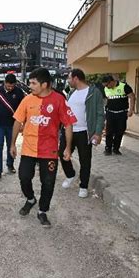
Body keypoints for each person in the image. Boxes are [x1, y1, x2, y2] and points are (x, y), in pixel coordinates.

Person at [10, 68, 76, 227]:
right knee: (24, 177)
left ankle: (42, 211)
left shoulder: (59, 100)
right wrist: (12, 144)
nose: (30, 86)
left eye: (33, 83)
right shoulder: (27, 100)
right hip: (29, 148)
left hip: (49, 150)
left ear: (44, 84)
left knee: (48, 182)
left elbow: (68, 124)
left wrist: (67, 147)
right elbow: (18, 121)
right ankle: (31, 198)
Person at [59, 69, 105, 198]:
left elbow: (100, 114)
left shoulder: (93, 93)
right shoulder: (72, 93)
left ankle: (83, 186)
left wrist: (97, 132)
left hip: (84, 132)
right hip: (68, 130)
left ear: (76, 78)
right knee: (61, 153)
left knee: (85, 160)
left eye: (69, 78)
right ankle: (70, 175)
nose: (68, 81)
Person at [0, 74, 24, 180]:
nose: (10, 88)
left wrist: (22, 123)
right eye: (8, 86)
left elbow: (23, 109)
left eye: (12, 86)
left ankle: (10, 164)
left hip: (12, 125)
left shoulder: (18, 92)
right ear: (4, 83)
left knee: (11, 145)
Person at [101, 75, 135, 155]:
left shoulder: (124, 86)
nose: (106, 87)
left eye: (107, 85)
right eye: (105, 86)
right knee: (109, 131)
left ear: (112, 81)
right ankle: (108, 148)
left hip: (121, 113)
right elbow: (106, 100)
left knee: (120, 131)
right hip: (110, 113)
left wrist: (131, 110)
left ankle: (116, 148)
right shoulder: (106, 89)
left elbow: (132, 97)